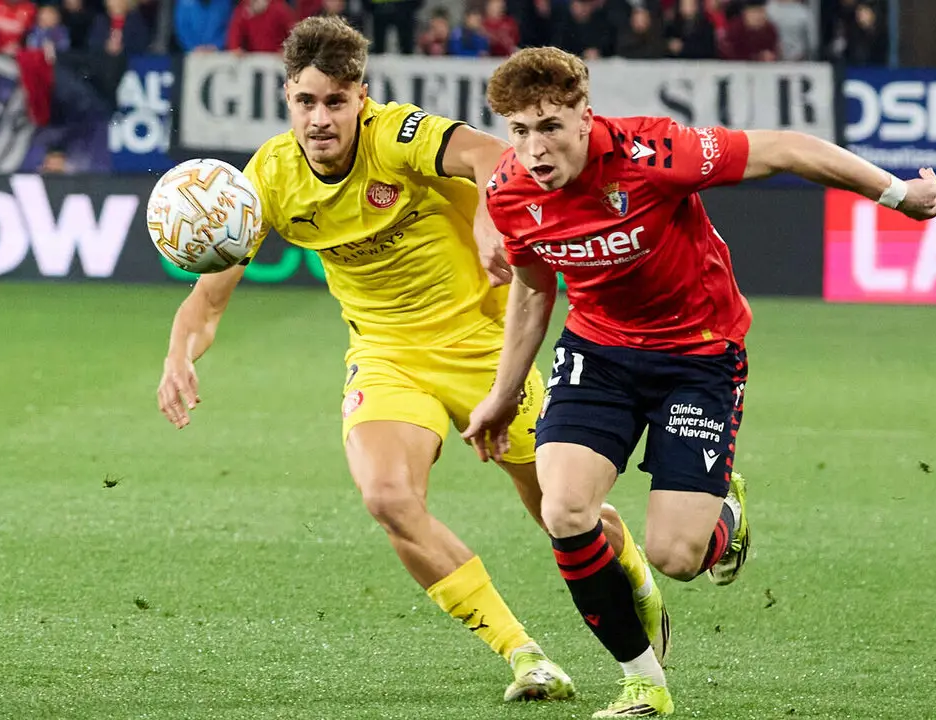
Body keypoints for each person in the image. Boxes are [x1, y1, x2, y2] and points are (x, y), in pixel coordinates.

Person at [155, 18, 668, 703]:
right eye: (306, 101)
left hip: (485, 348)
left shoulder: (397, 135)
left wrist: (487, 216)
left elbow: (491, 154)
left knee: (560, 513)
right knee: (388, 498)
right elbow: (207, 303)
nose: (320, 118)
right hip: (387, 356)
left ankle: (633, 571)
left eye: (335, 101)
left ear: (360, 98)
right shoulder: (270, 177)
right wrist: (179, 354)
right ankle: (524, 655)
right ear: (287, 98)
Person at [463, 46, 936, 718]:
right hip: (598, 353)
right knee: (565, 511)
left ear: (584, 116)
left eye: (550, 126)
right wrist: (503, 393)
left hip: (698, 355)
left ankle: (725, 512)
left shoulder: (654, 153)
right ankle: (644, 683)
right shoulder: (510, 191)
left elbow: (786, 148)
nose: (535, 149)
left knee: (678, 556)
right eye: (519, 131)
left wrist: (899, 194)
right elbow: (533, 289)